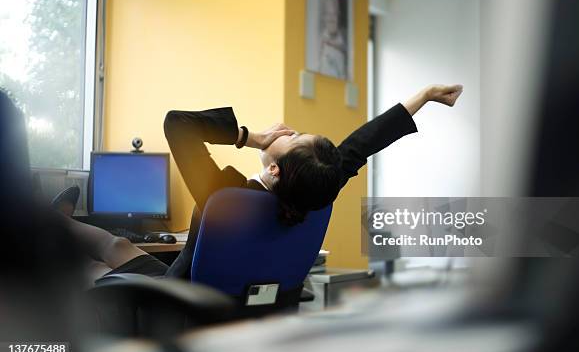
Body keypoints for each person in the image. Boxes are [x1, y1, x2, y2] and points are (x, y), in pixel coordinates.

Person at [64, 84, 463, 282]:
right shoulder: (319, 188)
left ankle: (41, 224)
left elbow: (177, 123)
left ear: (275, 170)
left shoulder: (227, 198)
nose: (287, 130)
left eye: (292, 137)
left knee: (96, 264)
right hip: (219, 303)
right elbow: (367, 141)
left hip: (176, 297)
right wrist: (423, 97)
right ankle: (53, 219)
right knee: (117, 244)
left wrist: (248, 137)